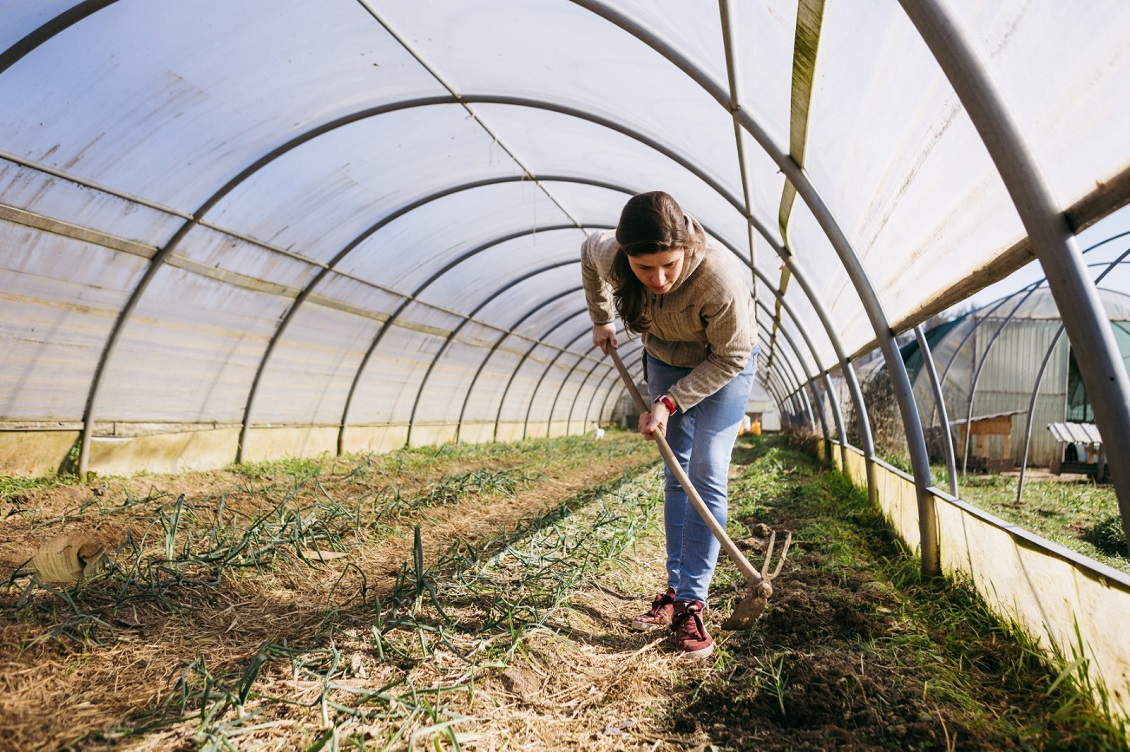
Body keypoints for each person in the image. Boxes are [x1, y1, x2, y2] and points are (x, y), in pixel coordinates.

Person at [581, 191, 757, 659]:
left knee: (705, 469)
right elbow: (586, 251)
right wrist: (601, 319)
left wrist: (670, 402)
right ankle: (677, 593)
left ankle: (693, 603)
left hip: (723, 367)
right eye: (644, 269)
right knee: (675, 471)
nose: (657, 279)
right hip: (663, 358)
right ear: (627, 258)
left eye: (669, 266)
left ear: (686, 250)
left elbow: (733, 356)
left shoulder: (718, 279)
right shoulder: (612, 256)